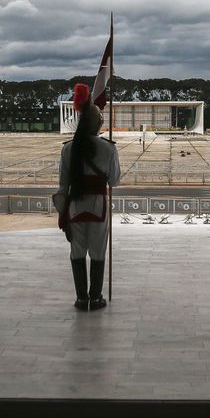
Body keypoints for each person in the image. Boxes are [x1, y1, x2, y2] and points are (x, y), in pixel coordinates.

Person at [59, 83, 121, 311]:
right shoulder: (108, 149)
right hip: (98, 207)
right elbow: (114, 180)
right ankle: (95, 297)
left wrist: (62, 214)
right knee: (98, 252)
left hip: (75, 206)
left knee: (77, 252)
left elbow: (62, 186)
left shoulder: (68, 149)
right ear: (98, 124)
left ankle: (80, 298)